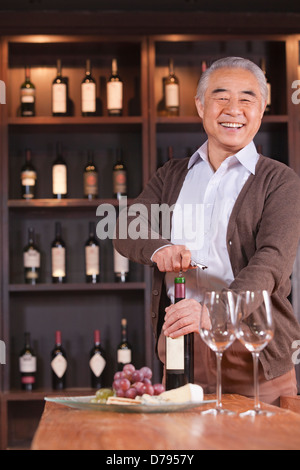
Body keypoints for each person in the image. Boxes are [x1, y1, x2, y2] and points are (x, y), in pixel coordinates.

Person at [114, 56, 300, 405]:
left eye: (247, 98)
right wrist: (158, 249)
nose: (234, 109)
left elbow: (271, 263)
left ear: (261, 109)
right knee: (184, 446)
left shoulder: (281, 182)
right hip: (182, 346)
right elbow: (125, 225)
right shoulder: (171, 175)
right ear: (201, 105)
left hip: (256, 349)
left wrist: (213, 312)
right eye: (221, 97)